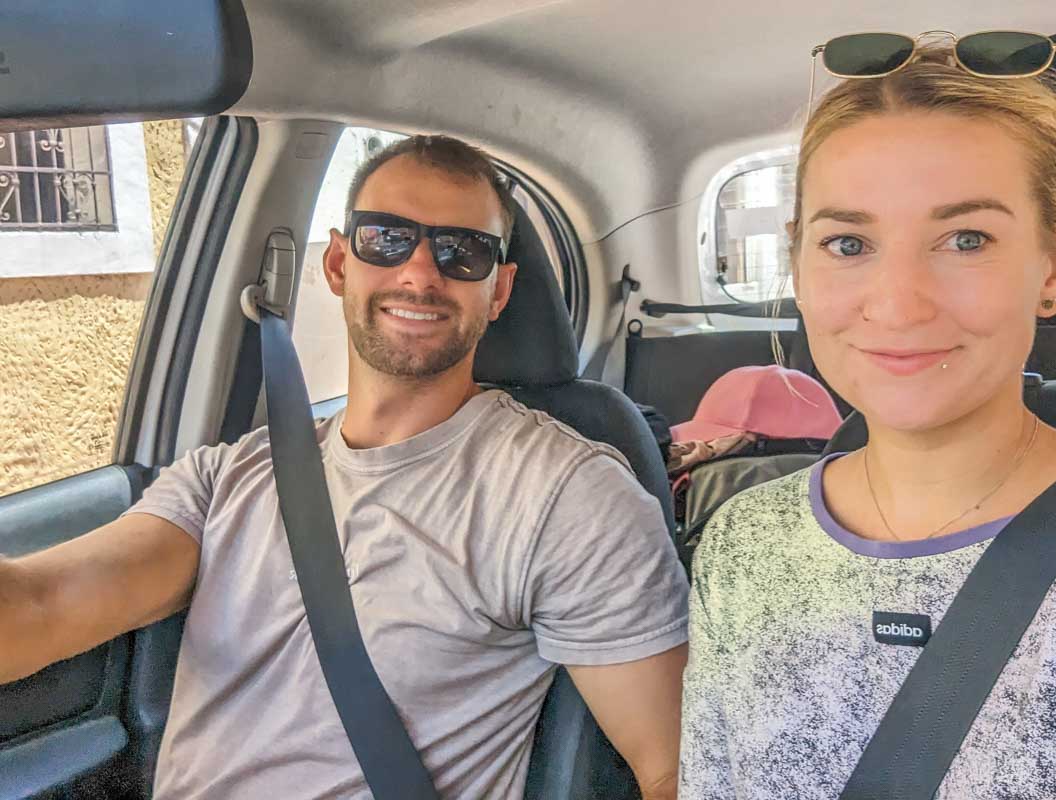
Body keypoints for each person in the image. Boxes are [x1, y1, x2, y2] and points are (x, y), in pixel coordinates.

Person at [0, 135, 690, 799]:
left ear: (500, 292)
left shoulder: (567, 494)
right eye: (386, 238)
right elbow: (42, 606)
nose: (421, 272)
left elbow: (675, 771)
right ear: (337, 263)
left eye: (463, 252)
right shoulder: (223, 478)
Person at [679, 35, 1056, 799]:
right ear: (798, 264)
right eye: (847, 243)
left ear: (1055, 268)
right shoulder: (741, 544)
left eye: (967, 239)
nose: (897, 302)